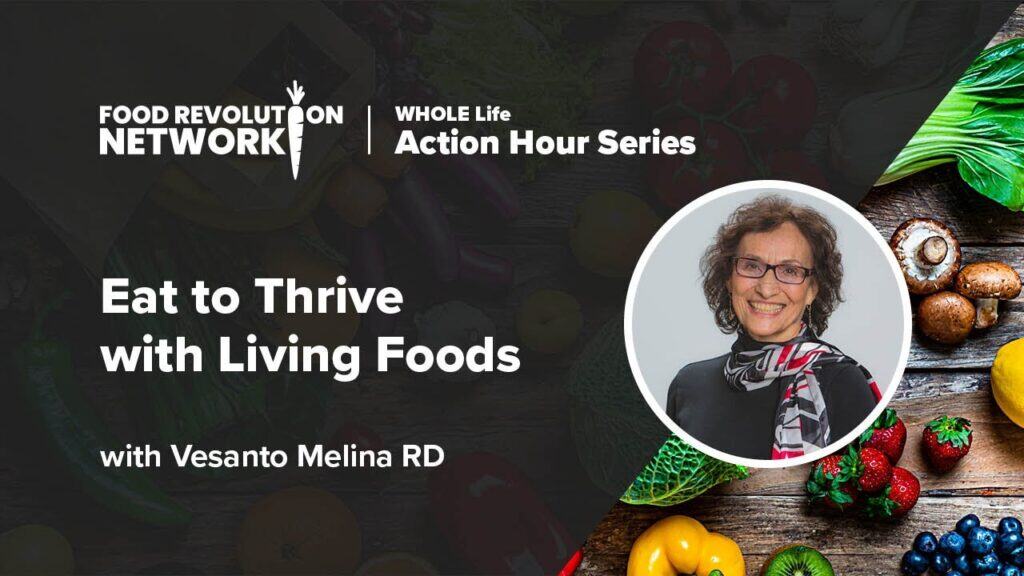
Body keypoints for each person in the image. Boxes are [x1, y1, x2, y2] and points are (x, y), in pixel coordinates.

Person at [666, 194, 880, 460]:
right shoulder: (688, 385)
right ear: (729, 279)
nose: (766, 288)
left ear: (813, 289)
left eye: (790, 271)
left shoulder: (844, 383)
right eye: (751, 265)